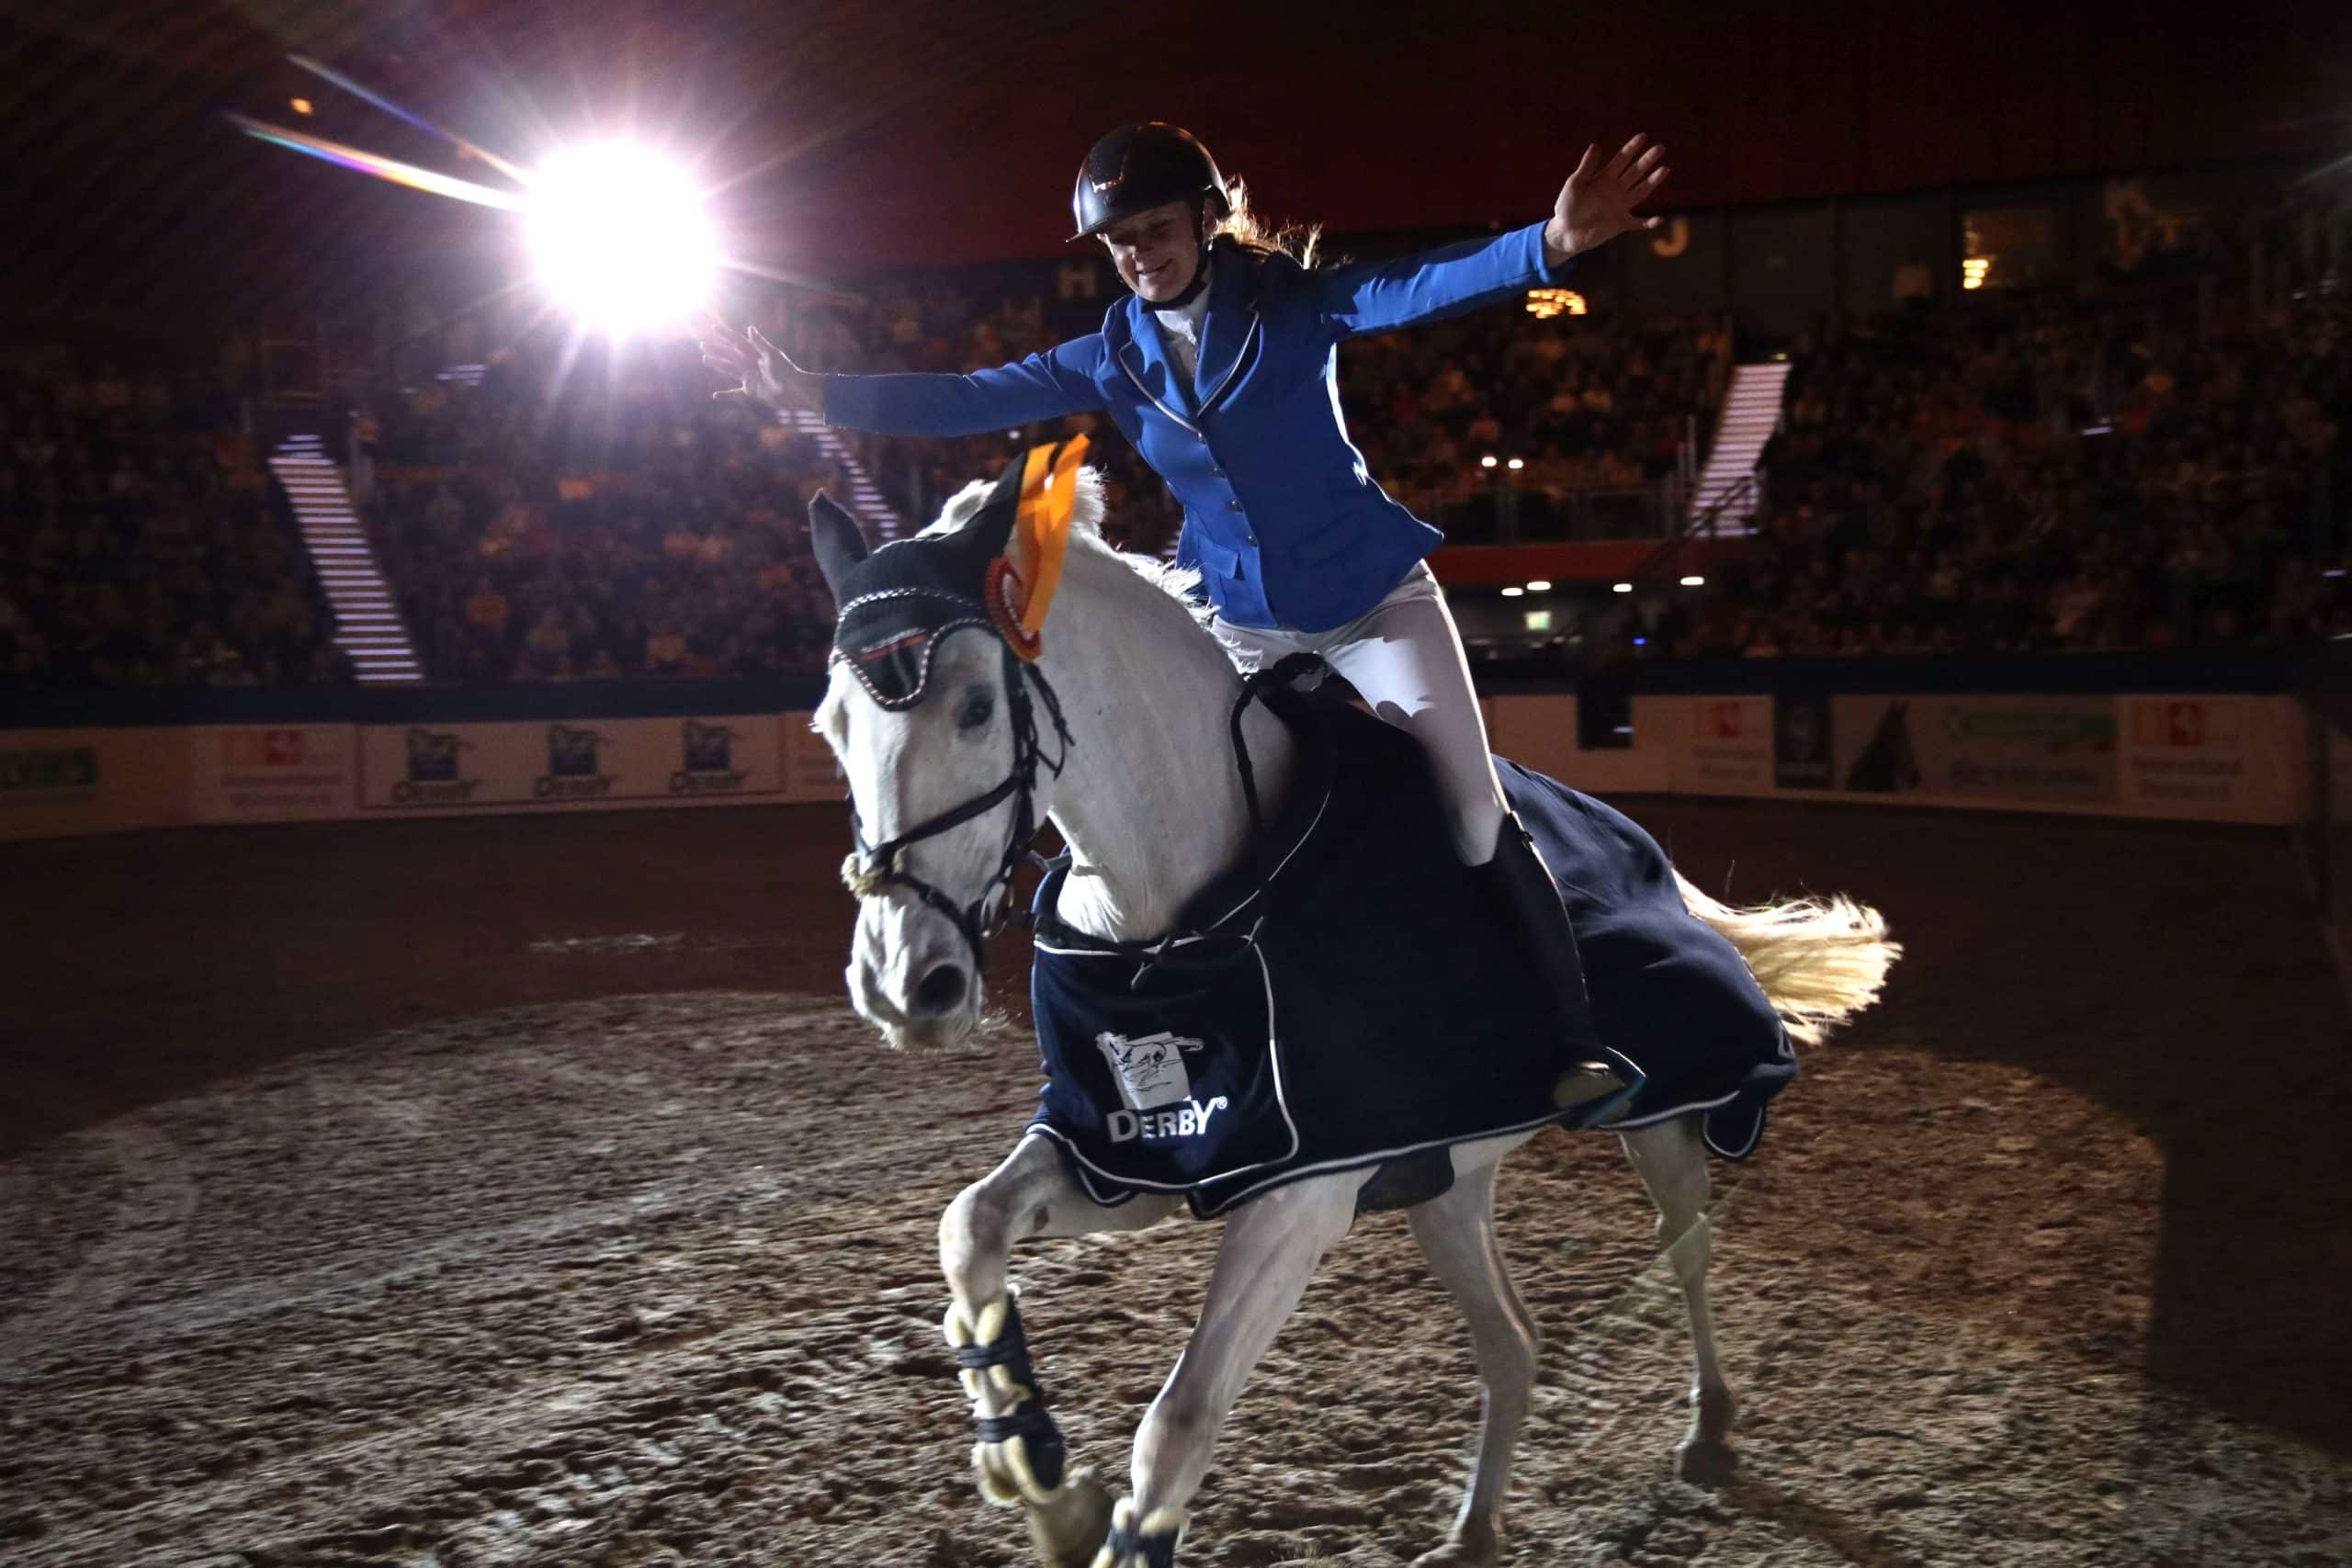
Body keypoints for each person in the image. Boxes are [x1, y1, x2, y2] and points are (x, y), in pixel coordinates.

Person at [703, 122, 1668, 1061]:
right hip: (1240, 624)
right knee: (1217, 832)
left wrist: (1550, 245)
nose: (1138, 254)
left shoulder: (1290, 305)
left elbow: (1406, 289)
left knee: (1465, 810)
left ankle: (1571, 1033)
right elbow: (968, 394)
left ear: (1207, 217)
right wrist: (815, 393)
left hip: (1371, 605)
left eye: (1155, 230)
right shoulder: (1111, 352)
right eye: (1120, 242)